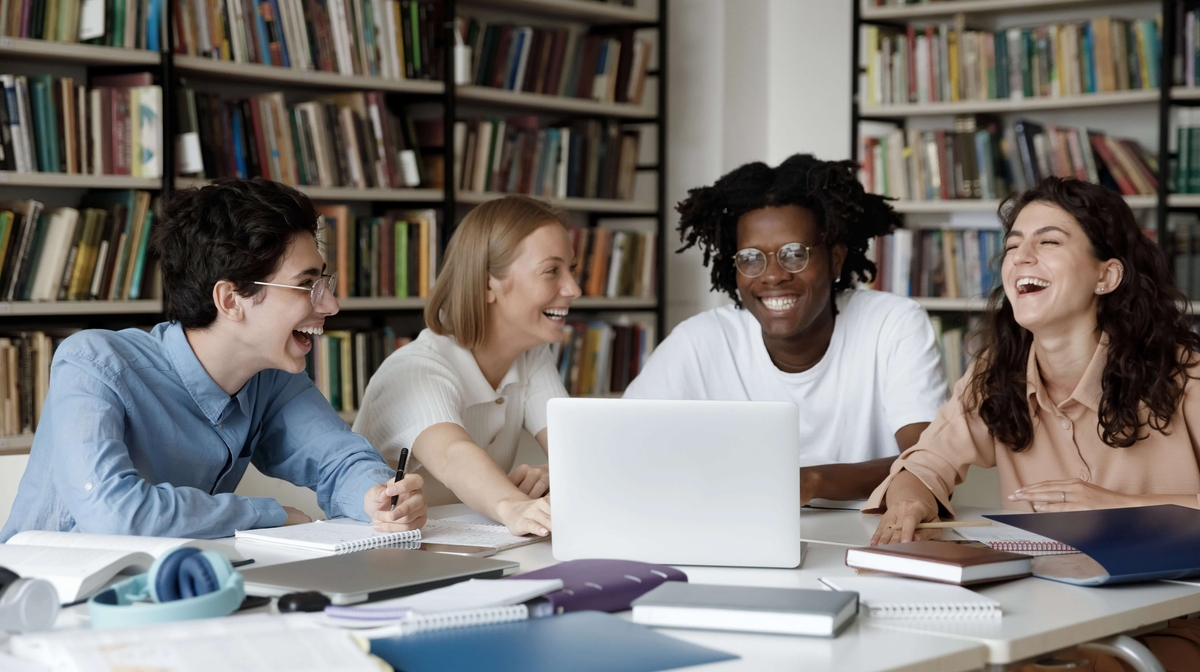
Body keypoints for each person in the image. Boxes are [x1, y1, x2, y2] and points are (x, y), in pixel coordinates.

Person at [0, 178, 426, 542]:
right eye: (306, 285)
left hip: (170, 590)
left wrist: (377, 495)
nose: (330, 305)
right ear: (230, 299)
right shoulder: (93, 362)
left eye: (325, 282)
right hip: (44, 600)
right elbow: (116, 514)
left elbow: (339, 460)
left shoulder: (271, 376)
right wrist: (270, 515)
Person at [867, 177, 1200, 547]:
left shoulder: (1187, 375)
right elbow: (923, 465)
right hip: (1050, 593)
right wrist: (910, 502)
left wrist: (1121, 508)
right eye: (1013, 245)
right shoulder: (994, 372)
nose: (1021, 257)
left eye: (1049, 241)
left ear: (1105, 275)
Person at [623, 154, 948, 504]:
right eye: (751, 258)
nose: (774, 275)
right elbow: (619, 446)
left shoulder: (892, 324)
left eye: (795, 254)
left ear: (835, 259)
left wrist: (813, 482)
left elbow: (928, 463)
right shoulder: (701, 341)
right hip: (735, 534)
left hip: (871, 537)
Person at [353, 195, 579, 537]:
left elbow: (577, 450)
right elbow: (452, 453)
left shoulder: (532, 356)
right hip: (381, 553)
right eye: (551, 271)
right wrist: (512, 506)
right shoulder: (415, 369)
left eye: (571, 269)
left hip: (464, 547)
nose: (573, 288)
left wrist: (560, 472)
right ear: (489, 282)